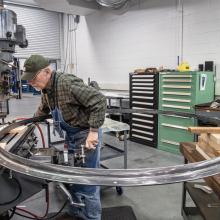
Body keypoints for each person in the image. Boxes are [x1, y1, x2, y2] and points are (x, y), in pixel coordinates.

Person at [21, 54, 107, 220]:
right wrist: (30, 124)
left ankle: (92, 216)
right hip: (72, 134)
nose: (30, 82)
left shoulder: (67, 83)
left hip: (86, 134)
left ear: (47, 71)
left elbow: (99, 100)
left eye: (33, 78)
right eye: (29, 79)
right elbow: (43, 108)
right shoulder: (47, 89)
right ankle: (75, 212)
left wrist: (94, 131)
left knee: (88, 180)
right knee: (72, 174)